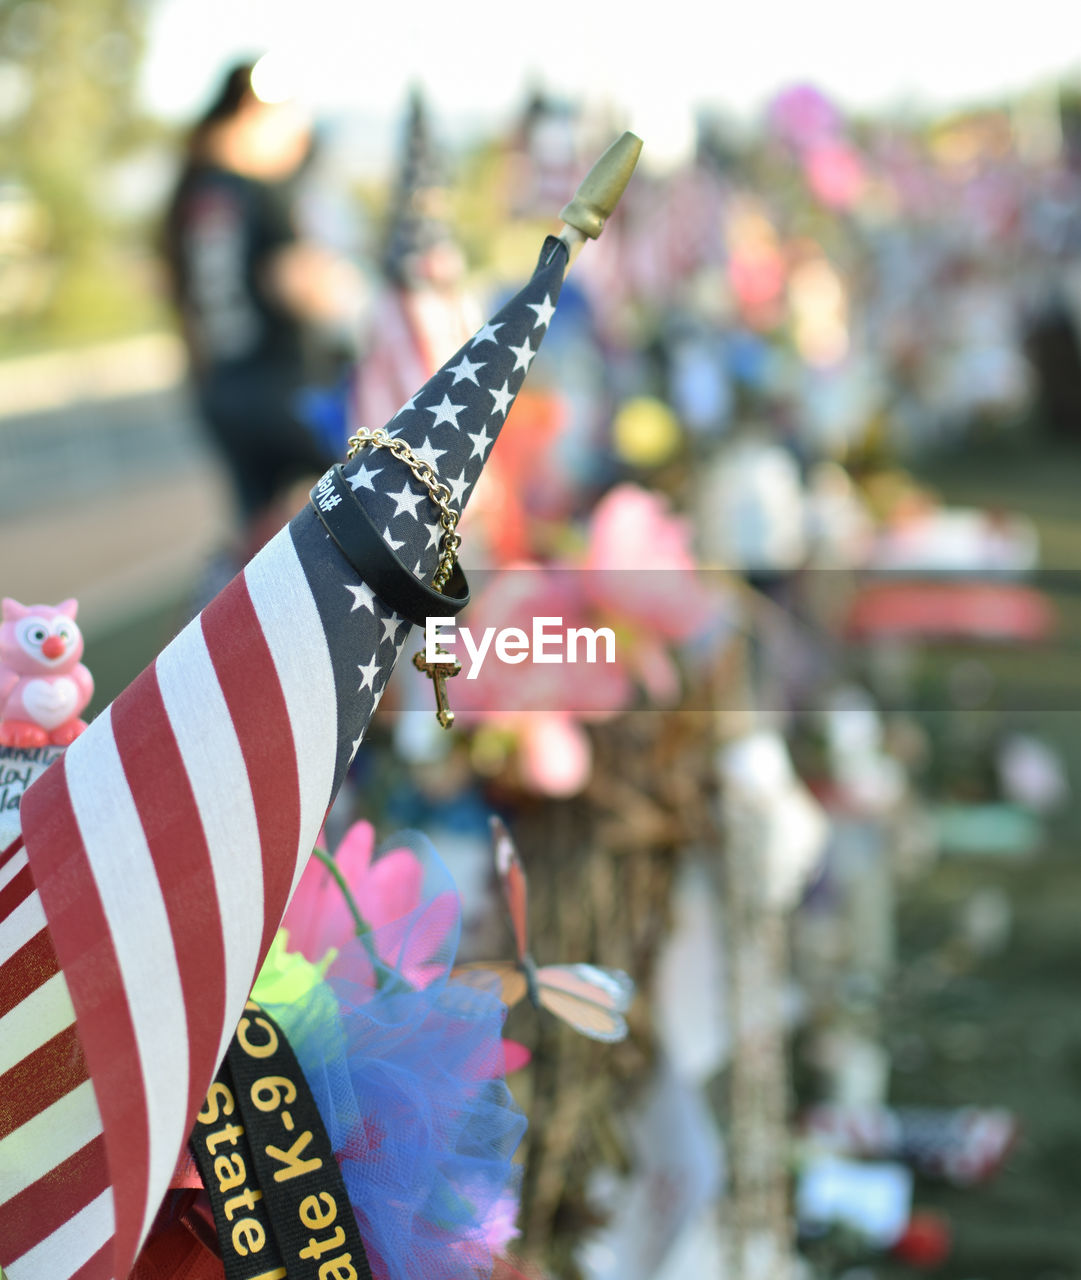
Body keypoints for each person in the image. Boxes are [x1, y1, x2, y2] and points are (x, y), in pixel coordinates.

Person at [163, 58, 363, 553]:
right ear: (254, 114)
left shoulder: (191, 196)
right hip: (290, 395)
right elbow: (303, 286)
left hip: (222, 393)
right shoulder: (261, 193)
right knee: (341, 543)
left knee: (262, 545)